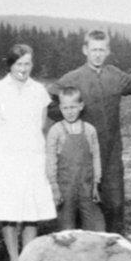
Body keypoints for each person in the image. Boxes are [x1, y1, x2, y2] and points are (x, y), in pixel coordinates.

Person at [49, 31, 131, 234]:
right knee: (81, 208)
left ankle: (114, 252)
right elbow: (49, 102)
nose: (98, 55)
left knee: (115, 205)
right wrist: (71, 116)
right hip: (82, 157)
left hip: (111, 155)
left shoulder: (114, 74)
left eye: (102, 50)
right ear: (85, 50)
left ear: (108, 51)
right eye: (94, 50)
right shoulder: (73, 78)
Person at [0, 44, 57, 261]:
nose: (23, 69)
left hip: (32, 157)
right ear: (10, 64)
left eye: (27, 64)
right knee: (9, 210)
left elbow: (41, 125)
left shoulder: (38, 90)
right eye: (19, 64)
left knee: (30, 210)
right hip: (7, 158)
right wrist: (6, 151)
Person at [46, 86, 105, 232]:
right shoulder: (56, 130)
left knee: (97, 227)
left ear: (81, 106)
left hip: (87, 186)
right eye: (65, 108)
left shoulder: (89, 130)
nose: (70, 111)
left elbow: (96, 156)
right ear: (60, 108)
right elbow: (51, 159)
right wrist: (54, 186)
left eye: (73, 107)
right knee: (66, 229)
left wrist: (96, 183)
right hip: (65, 187)